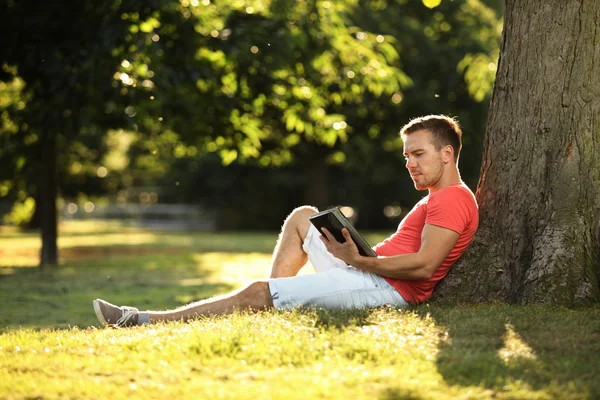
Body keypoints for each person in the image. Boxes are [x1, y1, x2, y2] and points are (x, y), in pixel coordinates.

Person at [93, 114, 479, 328]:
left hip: (384, 287)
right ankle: (277, 301)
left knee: (256, 291)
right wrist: (358, 257)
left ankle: (140, 319)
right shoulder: (440, 197)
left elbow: (426, 265)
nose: (410, 163)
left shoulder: (452, 200)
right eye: (406, 156)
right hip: (372, 269)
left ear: (447, 154)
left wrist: (360, 260)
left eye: (419, 154)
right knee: (303, 219)